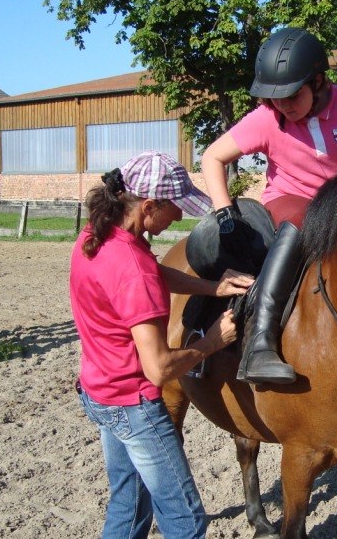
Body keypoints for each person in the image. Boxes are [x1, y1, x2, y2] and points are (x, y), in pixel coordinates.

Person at [69, 151, 253, 539]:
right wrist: (212, 341)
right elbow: (160, 369)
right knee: (185, 520)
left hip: (99, 392)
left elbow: (150, 270)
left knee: (129, 504)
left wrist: (211, 286)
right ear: (149, 206)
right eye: (174, 209)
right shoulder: (133, 271)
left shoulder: (97, 236)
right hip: (134, 406)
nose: (180, 218)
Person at [200, 27, 337, 385]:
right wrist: (225, 214)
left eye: (289, 95)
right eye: (273, 97)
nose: (281, 105)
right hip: (289, 202)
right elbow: (212, 157)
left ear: (317, 82)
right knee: (304, 214)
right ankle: (260, 344)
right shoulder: (266, 118)